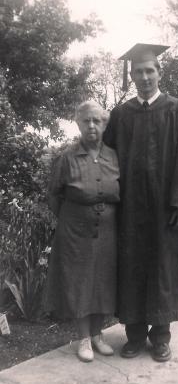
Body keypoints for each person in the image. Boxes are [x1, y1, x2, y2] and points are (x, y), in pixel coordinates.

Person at [103, 43, 178, 362]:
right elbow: (107, 159)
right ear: (132, 75)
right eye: (139, 71)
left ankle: (161, 337)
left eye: (150, 70)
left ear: (159, 73)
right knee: (132, 266)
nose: (144, 76)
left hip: (167, 208)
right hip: (130, 208)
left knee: (164, 268)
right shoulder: (121, 114)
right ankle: (134, 336)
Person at [44, 100, 120, 362]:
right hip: (75, 232)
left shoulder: (114, 155)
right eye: (86, 120)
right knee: (80, 282)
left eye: (96, 121)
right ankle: (84, 338)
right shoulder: (67, 157)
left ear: (104, 124)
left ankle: (99, 335)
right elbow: (54, 195)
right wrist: (74, 219)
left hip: (108, 231)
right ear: (78, 123)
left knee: (103, 280)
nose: (91, 125)